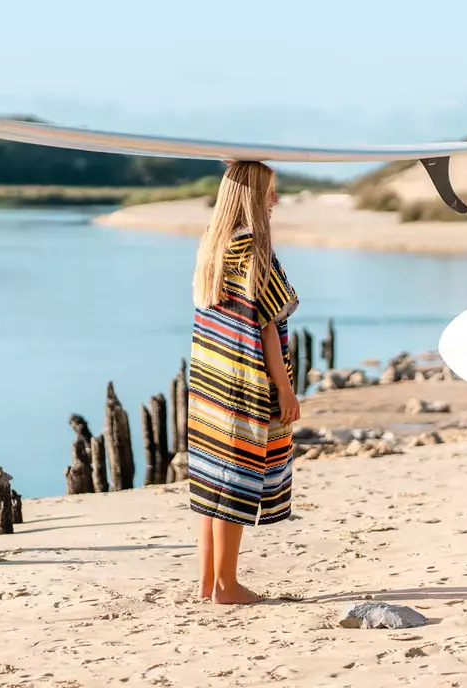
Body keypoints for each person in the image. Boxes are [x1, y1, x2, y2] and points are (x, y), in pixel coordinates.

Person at [186, 161, 300, 605]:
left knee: (212, 478)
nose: (275, 199)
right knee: (234, 480)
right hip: (246, 380)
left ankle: (207, 583)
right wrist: (285, 389)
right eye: (270, 191)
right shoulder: (254, 248)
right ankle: (228, 586)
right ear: (253, 195)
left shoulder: (212, 247)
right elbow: (267, 326)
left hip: (211, 380)